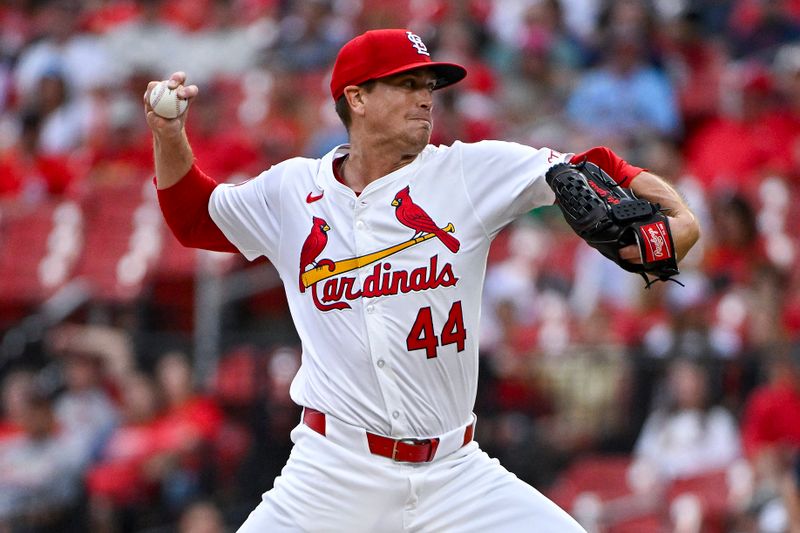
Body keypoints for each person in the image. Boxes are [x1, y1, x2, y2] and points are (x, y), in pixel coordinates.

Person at [144, 28, 700, 532]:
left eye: (429, 84)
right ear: (356, 99)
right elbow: (194, 217)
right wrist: (169, 134)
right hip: (333, 473)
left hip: (454, 474)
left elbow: (589, 166)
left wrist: (679, 216)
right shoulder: (293, 192)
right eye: (406, 84)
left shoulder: (464, 171)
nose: (425, 97)